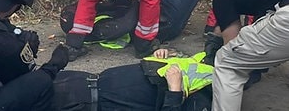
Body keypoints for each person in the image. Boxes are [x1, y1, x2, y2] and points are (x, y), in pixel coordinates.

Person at [52, 48, 213, 111]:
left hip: (94, 103)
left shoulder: (208, 100)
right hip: (90, 81)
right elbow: (189, 62)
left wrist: (174, 91)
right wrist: (163, 57)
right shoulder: (211, 64)